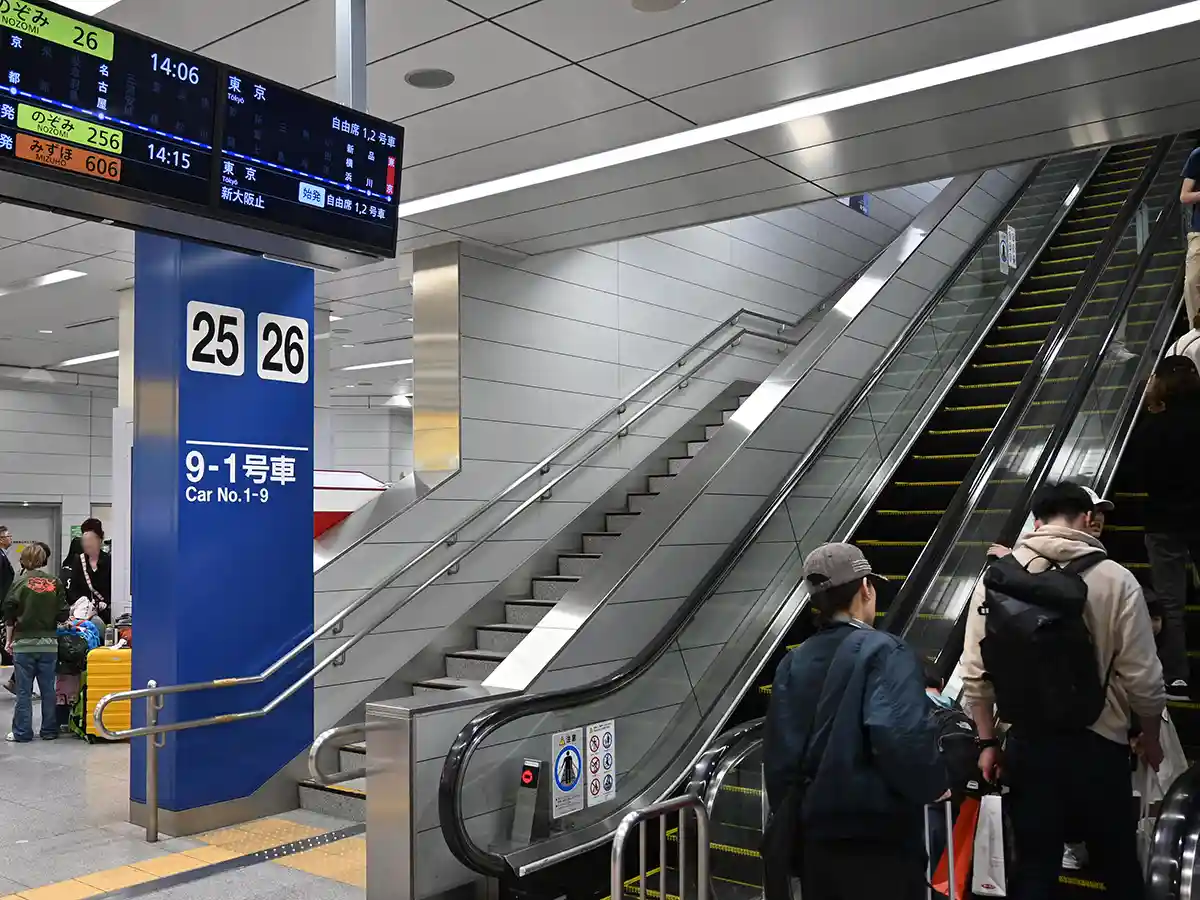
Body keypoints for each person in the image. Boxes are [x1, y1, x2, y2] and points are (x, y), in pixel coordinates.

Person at [961, 481, 1165, 900]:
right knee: (1119, 865)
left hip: (1028, 745)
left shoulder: (997, 578)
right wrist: (1151, 735)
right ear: (1086, 518)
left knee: (1035, 868)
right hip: (1100, 745)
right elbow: (1143, 677)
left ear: (1038, 518)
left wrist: (986, 741)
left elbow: (975, 676)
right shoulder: (1115, 578)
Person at [763, 543, 946, 900]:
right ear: (865, 588)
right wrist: (933, 783)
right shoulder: (884, 650)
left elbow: (779, 756)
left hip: (816, 839)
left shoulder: (793, 662)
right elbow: (900, 737)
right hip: (877, 838)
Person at [1131, 354, 1200, 699]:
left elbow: (1138, 475)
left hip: (1162, 520)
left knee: (1170, 601)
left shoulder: (1150, 427)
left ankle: (1177, 677)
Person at [2, 543, 68, 742]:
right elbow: (63, 614)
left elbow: (9, 613)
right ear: (44, 560)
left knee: (24, 691)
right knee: (48, 690)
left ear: (23, 561)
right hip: (49, 645)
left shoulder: (19, 583)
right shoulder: (55, 583)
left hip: (24, 644)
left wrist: (9, 640)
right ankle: (49, 730)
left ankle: (22, 732)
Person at [67, 519, 111, 626]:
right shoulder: (78, 561)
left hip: (105, 614)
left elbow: (113, 587)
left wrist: (106, 602)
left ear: (100, 540)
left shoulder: (109, 561)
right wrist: (82, 602)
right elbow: (73, 589)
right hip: (83, 614)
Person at [1180, 145, 1200, 323]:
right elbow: (1184, 196)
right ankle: (1197, 333)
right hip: (1199, 232)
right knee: (1192, 282)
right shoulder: (1198, 155)